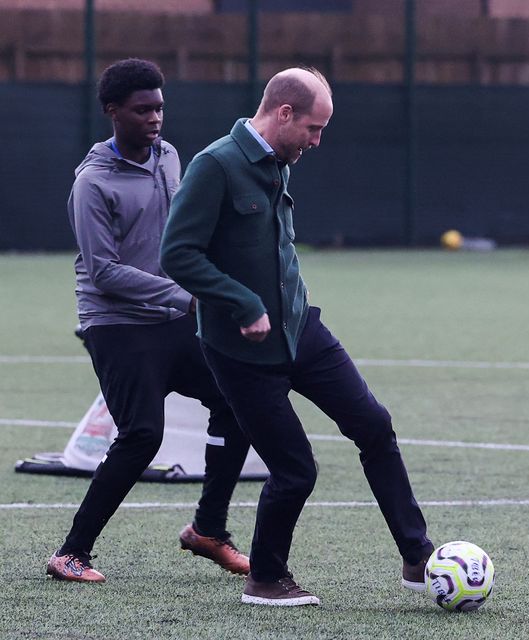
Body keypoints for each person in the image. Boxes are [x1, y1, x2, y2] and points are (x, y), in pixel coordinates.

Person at [160, 67, 434, 607]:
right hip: (241, 352)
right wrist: (241, 301)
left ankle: (417, 556)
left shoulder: (280, 161)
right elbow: (177, 255)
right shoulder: (215, 165)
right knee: (295, 470)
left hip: (302, 329)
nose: (317, 140)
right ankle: (265, 579)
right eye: (313, 127)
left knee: (374, 425)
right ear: (283, 113)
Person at [49, 58, 253, 583]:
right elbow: (104, 271)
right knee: (142, 436)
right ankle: (71, 554)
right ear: (113, 112)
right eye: (143, 110)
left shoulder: (169, 157)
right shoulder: (92, 183)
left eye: (160, 107)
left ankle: (209, 530)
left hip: (173, 313)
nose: (155, 118)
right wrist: (186, 298)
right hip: (116, 323)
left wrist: (210, 281)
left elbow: (181, 237)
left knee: (236, 402)